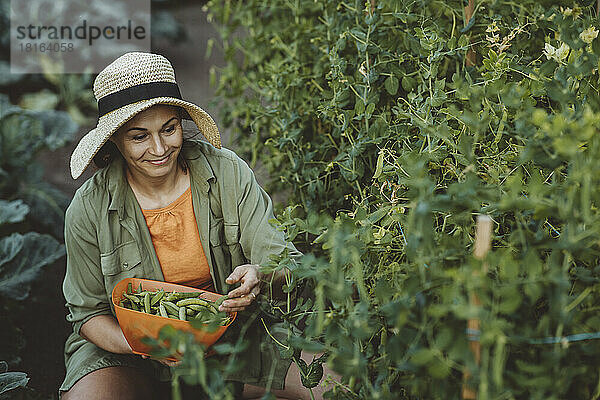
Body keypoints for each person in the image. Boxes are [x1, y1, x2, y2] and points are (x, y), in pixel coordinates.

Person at [60, 52, 334, 399]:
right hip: (129, 351)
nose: (159, 148)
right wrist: (145, 344)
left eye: (169, 129)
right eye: (139, 136)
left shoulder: (226, 173)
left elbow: (282, 260)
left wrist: (260, 275)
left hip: (232, 336)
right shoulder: (89, 207)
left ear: (182, 122)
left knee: (335, 387)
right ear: (114, 139)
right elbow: (88, 314)